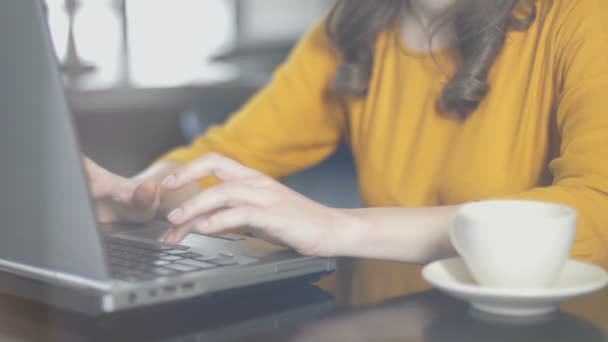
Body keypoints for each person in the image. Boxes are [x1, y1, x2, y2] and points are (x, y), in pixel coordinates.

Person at [85, 0, 608, 305]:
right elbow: (222, 154)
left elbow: (596, 206)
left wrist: (340, 228)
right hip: (379, 322)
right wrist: (142, 193)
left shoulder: (581, 16)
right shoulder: (353, 27)